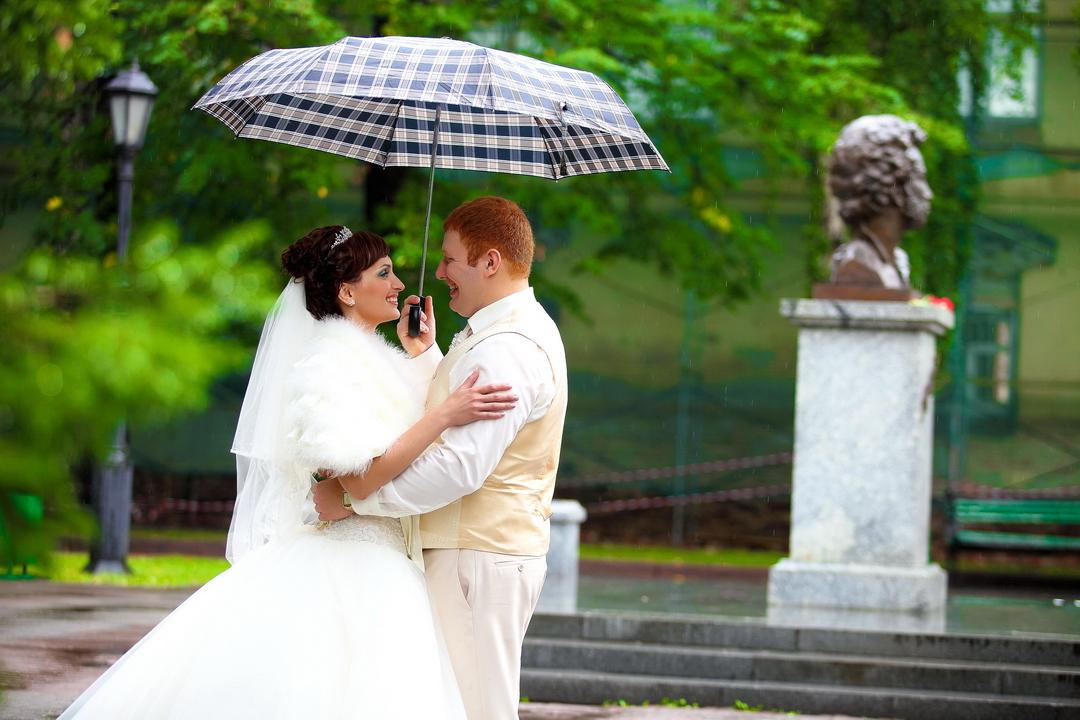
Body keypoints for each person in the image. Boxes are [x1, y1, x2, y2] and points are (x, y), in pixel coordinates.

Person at [59, 225, 518, 719]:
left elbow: (393, 437)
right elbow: (359, 480)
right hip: (355, 562)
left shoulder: (371, 359)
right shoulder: (328, 363)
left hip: (383, 554)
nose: (400, 284)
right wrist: (445, 415)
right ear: (346, 291)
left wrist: (421, 353)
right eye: (384, 273)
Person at [314, 196, 568, 720]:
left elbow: (460, 466)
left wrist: (362, 500)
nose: (439, 272)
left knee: (478, 710)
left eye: (450, 260)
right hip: (472, 553)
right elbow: (452, 415)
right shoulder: (500, 335)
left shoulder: (509, 347)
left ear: (490, 262)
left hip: (476, 556)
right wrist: (428, 354)